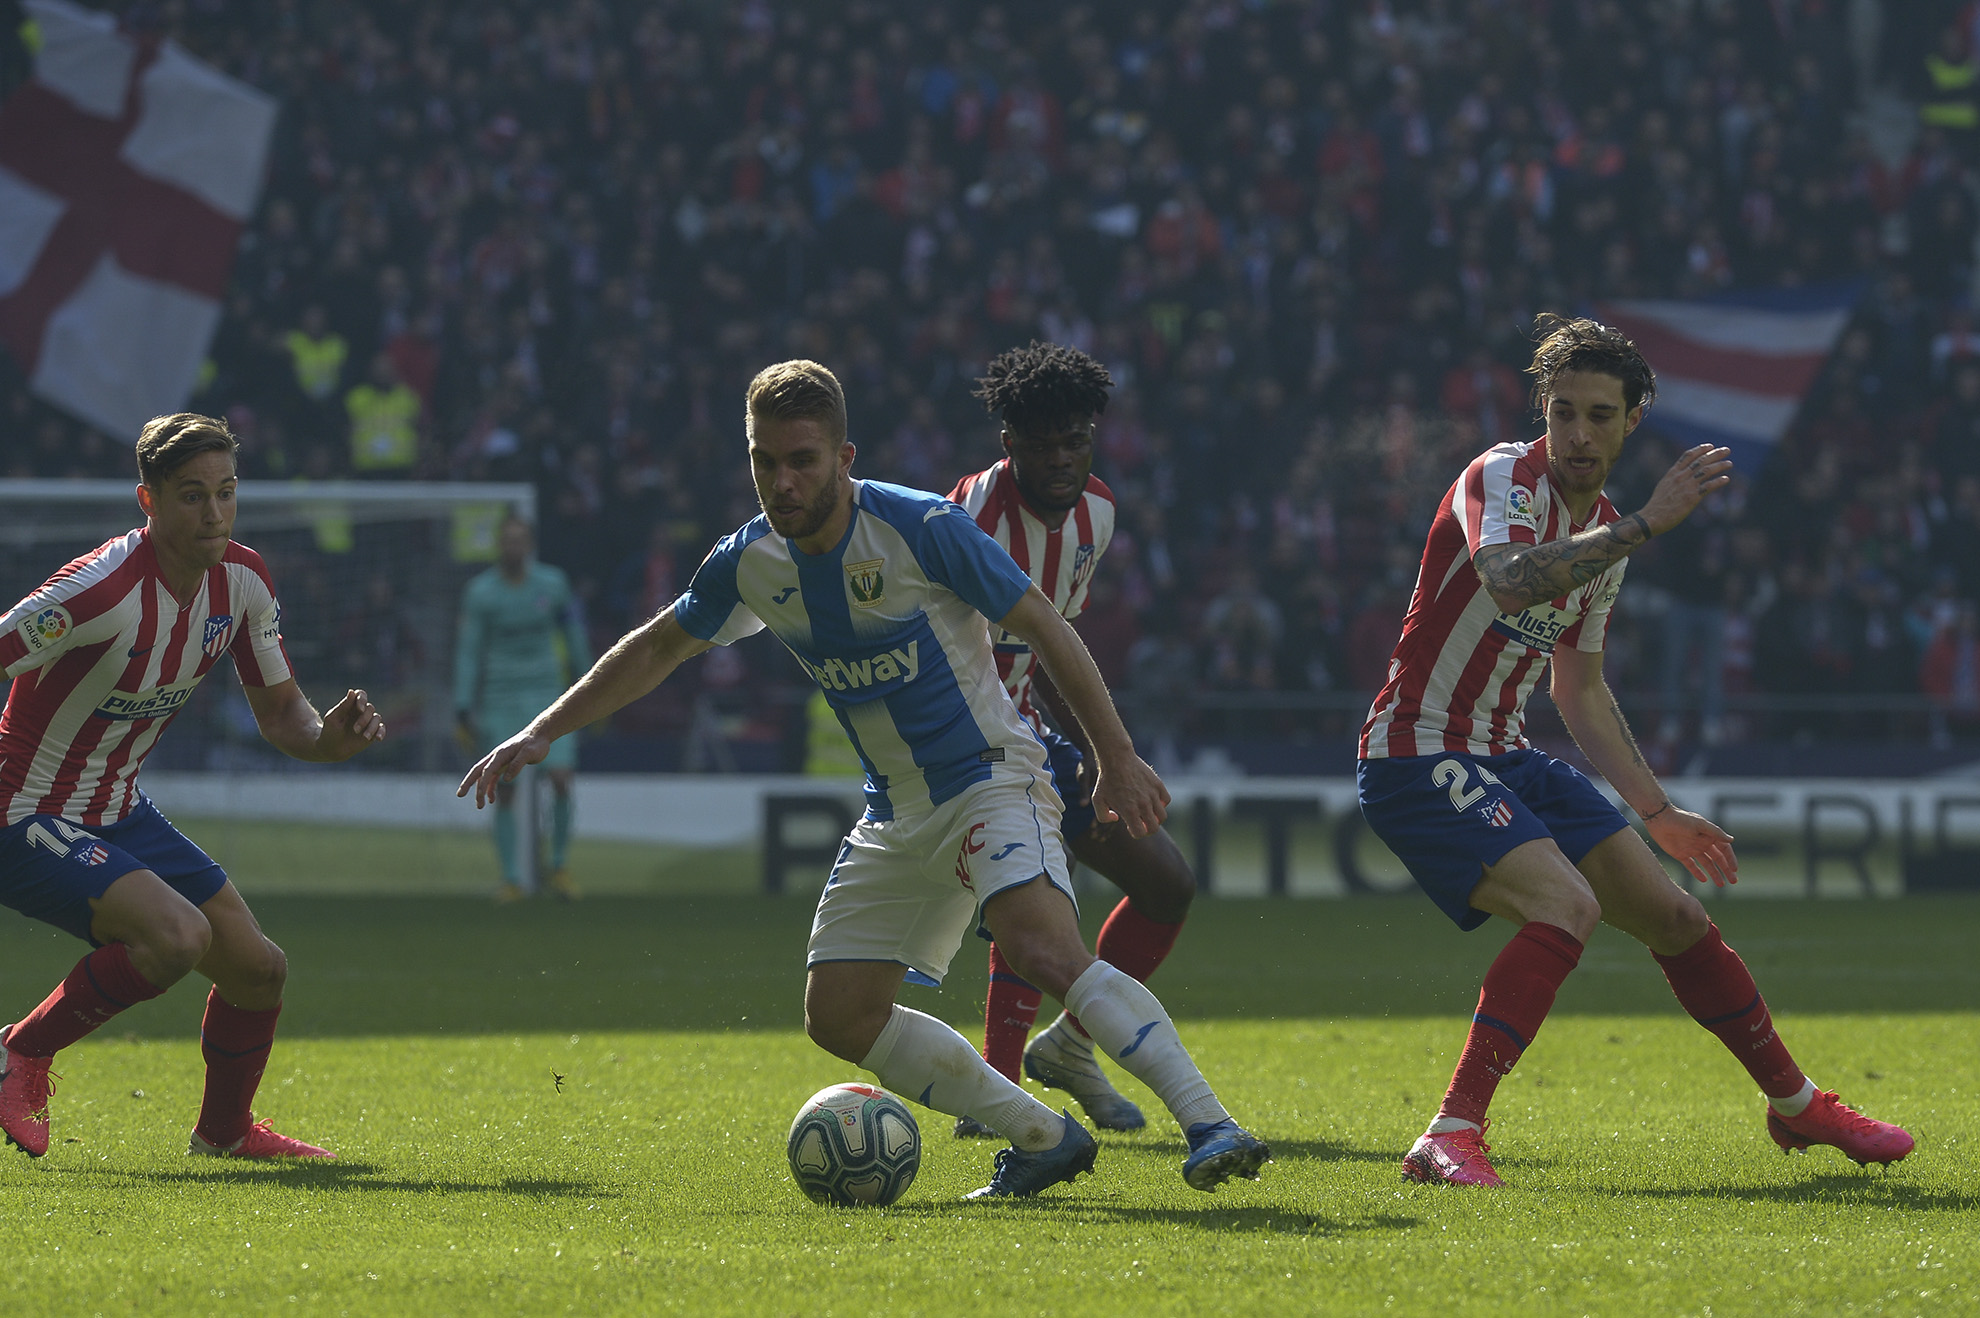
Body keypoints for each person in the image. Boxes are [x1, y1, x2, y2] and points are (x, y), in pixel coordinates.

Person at [461, 360, 1269, 1199]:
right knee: (839, 1014)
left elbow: (1046, 627)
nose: (782, 480)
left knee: (1041, 948)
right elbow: (660, 646)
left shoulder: (923, 527)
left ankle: (1212, 1124)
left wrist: (1116, 757)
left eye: (802, 459)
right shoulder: (750, 562)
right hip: (897, 812)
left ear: (845, 456)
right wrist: (541, 730)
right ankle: (1043, 1136)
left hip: (993, 778)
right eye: (763, 461)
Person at [1356, 316, 1913, 1187]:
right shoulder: (1501, 476)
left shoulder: (1609, 527)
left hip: (1504, 755)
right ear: (1544, 411)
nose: (1579, 434)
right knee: (1566, 906)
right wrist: (1649, 523)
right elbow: (1507, 578)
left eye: (1600, 416)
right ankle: (1450, 1133)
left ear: (1632, 420)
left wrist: (1657, 812)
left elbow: (1577, 687)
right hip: (1416, 752)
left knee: (1679, 919)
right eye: (1565, 412)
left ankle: (1798, 1108)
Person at [0, 413, 386, 1161]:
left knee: (259, 968)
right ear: (147, 501)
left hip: (115, 809)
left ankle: (225, 1134)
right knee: (177, 937)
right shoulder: (97, 590)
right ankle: (19, 1051)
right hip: (25, 811)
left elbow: (281, 713)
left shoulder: (242, 581)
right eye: (191, 496)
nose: (213, 514)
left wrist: (328, 741)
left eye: (225, 493)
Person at [945, 342, 1196, 1139]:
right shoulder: (964, 525)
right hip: (956, 744)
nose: (1062, 461)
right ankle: (1000, 1091)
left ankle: (1071, 1050)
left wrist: (1093, 749)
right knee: (1036, 908)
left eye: (1076, 441)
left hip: (1032, 731)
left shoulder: (1097, 512)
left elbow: (1053, 643)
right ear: (1008, 444)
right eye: (1043, 444)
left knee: (1166, 886)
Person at [455, 514, 591, 901]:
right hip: (501, 696)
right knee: (505, 787)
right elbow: (469, 652)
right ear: (499, 546)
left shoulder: (553, 584)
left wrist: (591, 686)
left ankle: (559, 867)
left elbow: (574, 633)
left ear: (529, 545)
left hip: (549, 693)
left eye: (520, 540)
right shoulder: (480, 593)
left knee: (562, 778)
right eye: (507, 540)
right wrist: (463, 703)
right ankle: (512, 878)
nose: (513, 547)